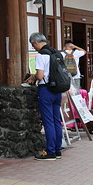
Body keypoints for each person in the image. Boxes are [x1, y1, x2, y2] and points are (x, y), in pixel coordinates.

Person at [26, 32, 63, 161]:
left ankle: (50, 152)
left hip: (46, 90)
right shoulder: (56, 53)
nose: (34, 47)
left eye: (33, 45)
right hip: (57, 90)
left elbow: (40, 76)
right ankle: (58, 150)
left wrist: (33, 77)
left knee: (48, 122)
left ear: (36, 43)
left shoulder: (41, 55)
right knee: (56, 121)